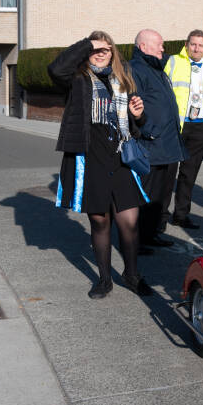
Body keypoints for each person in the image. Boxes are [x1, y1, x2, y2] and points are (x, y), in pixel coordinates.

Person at [48, 31, 152, 299]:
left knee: (129, 220)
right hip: (91, 155)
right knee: (99, 221)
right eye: (95, 49)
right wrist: (87, 44)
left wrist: (138, 116)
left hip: (120, 156)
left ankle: (132, 275)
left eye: (105, 48)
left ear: (113, 52)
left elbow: (135, 123)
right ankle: (105, 279)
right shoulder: (77, 79)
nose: (100, 52)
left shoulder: (123, 79)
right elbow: (55, 69)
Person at [130, 29, 188, 252]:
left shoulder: (156, 69)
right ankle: (136, 240)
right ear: (143, 47)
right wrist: (150, 131)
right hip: (151, 145)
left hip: (165, 145)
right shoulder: (136, 69)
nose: (163, 49)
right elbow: (133, 104)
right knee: (146, 195)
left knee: (160, 195)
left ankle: (150, 233)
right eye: (159, 44)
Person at [163, 29, 203, 229]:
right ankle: (159, 218)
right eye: (193, 44)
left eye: (200, 45)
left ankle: (181, 215)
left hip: (200, 127)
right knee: (167, 174)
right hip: (176, 126)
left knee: (189, 175)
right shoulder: (173, 62)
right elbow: (162, 92)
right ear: (186, 45)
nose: (196, 49)